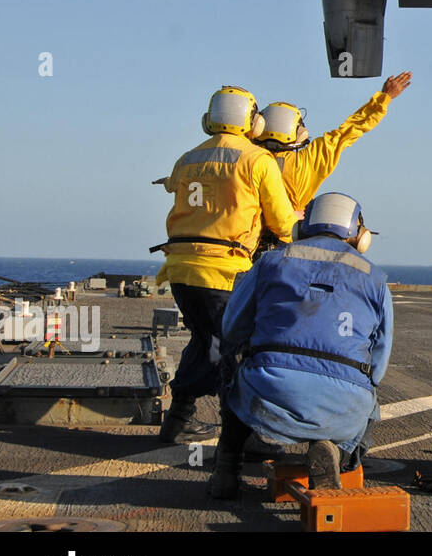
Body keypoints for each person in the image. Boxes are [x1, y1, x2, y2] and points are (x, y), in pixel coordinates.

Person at [208, 192, 393, 499]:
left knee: (229, 364)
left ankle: (227, 469)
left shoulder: (270, 262)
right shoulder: (375, 278)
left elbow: (230, 328)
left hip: (267, 392)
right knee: (368, 396)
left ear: (300, 229)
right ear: (360, 238)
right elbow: (380, 364)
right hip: (344, 405)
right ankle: (333, 448)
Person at [154, 86, 299, 443]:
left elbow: (178, 187)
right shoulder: (257, 160)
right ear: (253, 121)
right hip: (222, 273)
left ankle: (177, 421)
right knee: (232, 352)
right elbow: (282, 224)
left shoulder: (188, 157)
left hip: (180, 272)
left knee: (205, 341)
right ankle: (238, 440)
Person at [251, 72, 412, 254]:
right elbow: (351, 128)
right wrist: (385, 98)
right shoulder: (311, 158)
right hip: (288, 247)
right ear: (298, 132)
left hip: (249, 247)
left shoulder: (247, 159)